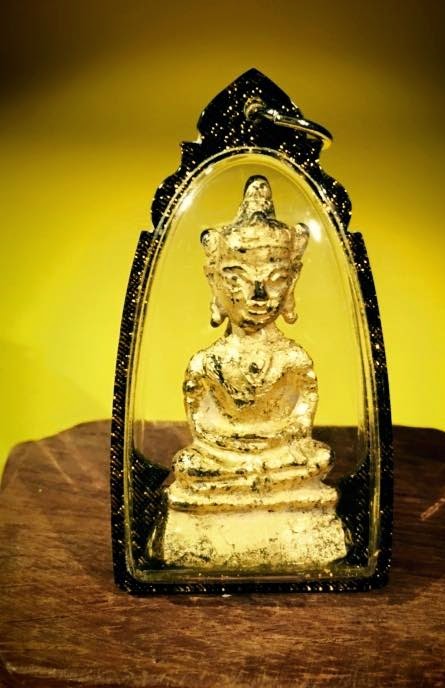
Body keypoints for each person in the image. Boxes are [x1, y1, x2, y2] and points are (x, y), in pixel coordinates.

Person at [147, 175, 349, 571]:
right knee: (189, 465)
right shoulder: (206, 363)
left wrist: (276, 446)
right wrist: (237, 451)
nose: (258, 296)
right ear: (215, 282)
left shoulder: (293, 359)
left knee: (320, 459)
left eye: (275, 280)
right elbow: (201, 428)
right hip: (222, 460)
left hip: (281, 459)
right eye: (237, 279)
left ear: (291, 283)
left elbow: (301, 420)